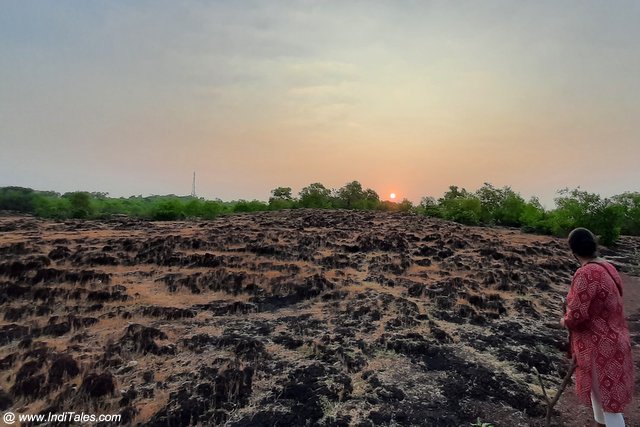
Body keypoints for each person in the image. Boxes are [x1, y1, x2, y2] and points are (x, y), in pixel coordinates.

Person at [560, 228, 634, 427]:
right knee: (601, 400)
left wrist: (564, 320)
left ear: (573, 251)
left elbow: (576, 315)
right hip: (615, 338)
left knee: (608, 405)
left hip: (599, 346)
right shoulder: (607, 266)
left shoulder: (586, 273)